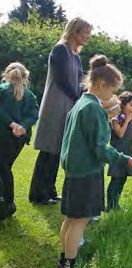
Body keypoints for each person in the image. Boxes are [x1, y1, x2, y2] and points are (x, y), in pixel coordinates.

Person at [57, 55, 132, 268]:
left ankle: (64, 257)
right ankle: (69, 262)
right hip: (86, 172)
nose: (113, 96)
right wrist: (124, 159)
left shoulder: (80, 104)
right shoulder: (94, 109)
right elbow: (101, 147)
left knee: (70, 217)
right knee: (80, 219)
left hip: (74, 170)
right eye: (113, 91)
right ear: (103, 84)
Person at [29, 17, 92, 205]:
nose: (88, 37)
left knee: (58, 150)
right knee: (49, 150)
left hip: (69, 106)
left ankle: (49, 191)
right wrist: (78, 97)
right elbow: (63, 81)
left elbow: (81, 82)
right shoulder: (60, 50)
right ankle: (37, 194)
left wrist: (87, 94)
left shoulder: (75, 55)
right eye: (85, 33)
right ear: (75, 32)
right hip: (55, 106)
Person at [0, 62, 39, 218]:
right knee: (5, 168)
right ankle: (7, 204)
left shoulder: (2, 90)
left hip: (3, 134)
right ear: (25, 77)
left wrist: (10, 123)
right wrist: (21, 126)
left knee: (3, 169)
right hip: (18, 139)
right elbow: (34, 114)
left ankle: (6, 205)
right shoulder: (30, 95)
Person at [107, 91, 132, 210]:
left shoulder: (131, 119)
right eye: (131, 105)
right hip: (118, 153)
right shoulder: (116, 119)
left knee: (123, 178)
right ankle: (110, 205)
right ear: (123, 105)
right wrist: (126, 121)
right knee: (116, 178)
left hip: (127, 151)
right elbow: (120, 134)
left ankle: (116, 203)